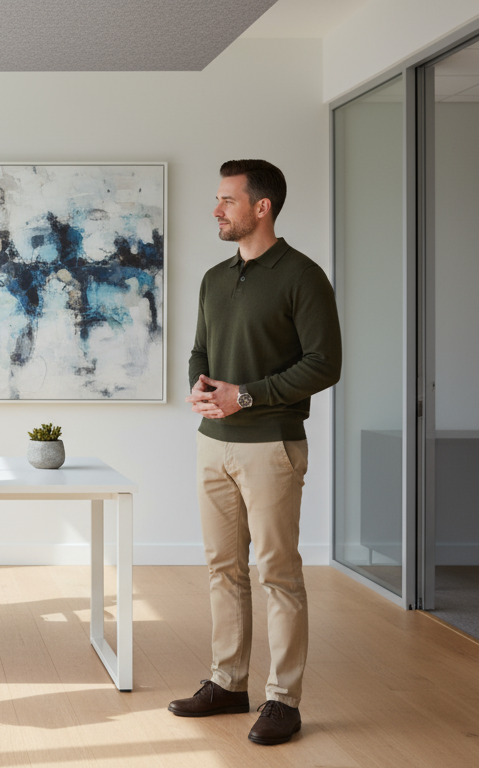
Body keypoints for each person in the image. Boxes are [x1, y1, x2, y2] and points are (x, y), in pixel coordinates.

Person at [172, 159, 342, 746]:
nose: (216, 211)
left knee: (277, 573)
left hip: (271, 446)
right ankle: (227, 682)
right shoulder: (215, 278)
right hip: (212, 447)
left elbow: (326, 364)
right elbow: (200, 349)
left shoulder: (302, 275)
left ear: (260, 207)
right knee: (222, 569)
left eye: (227, 201)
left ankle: (282, 699)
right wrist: (201, 386)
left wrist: (246, 395)